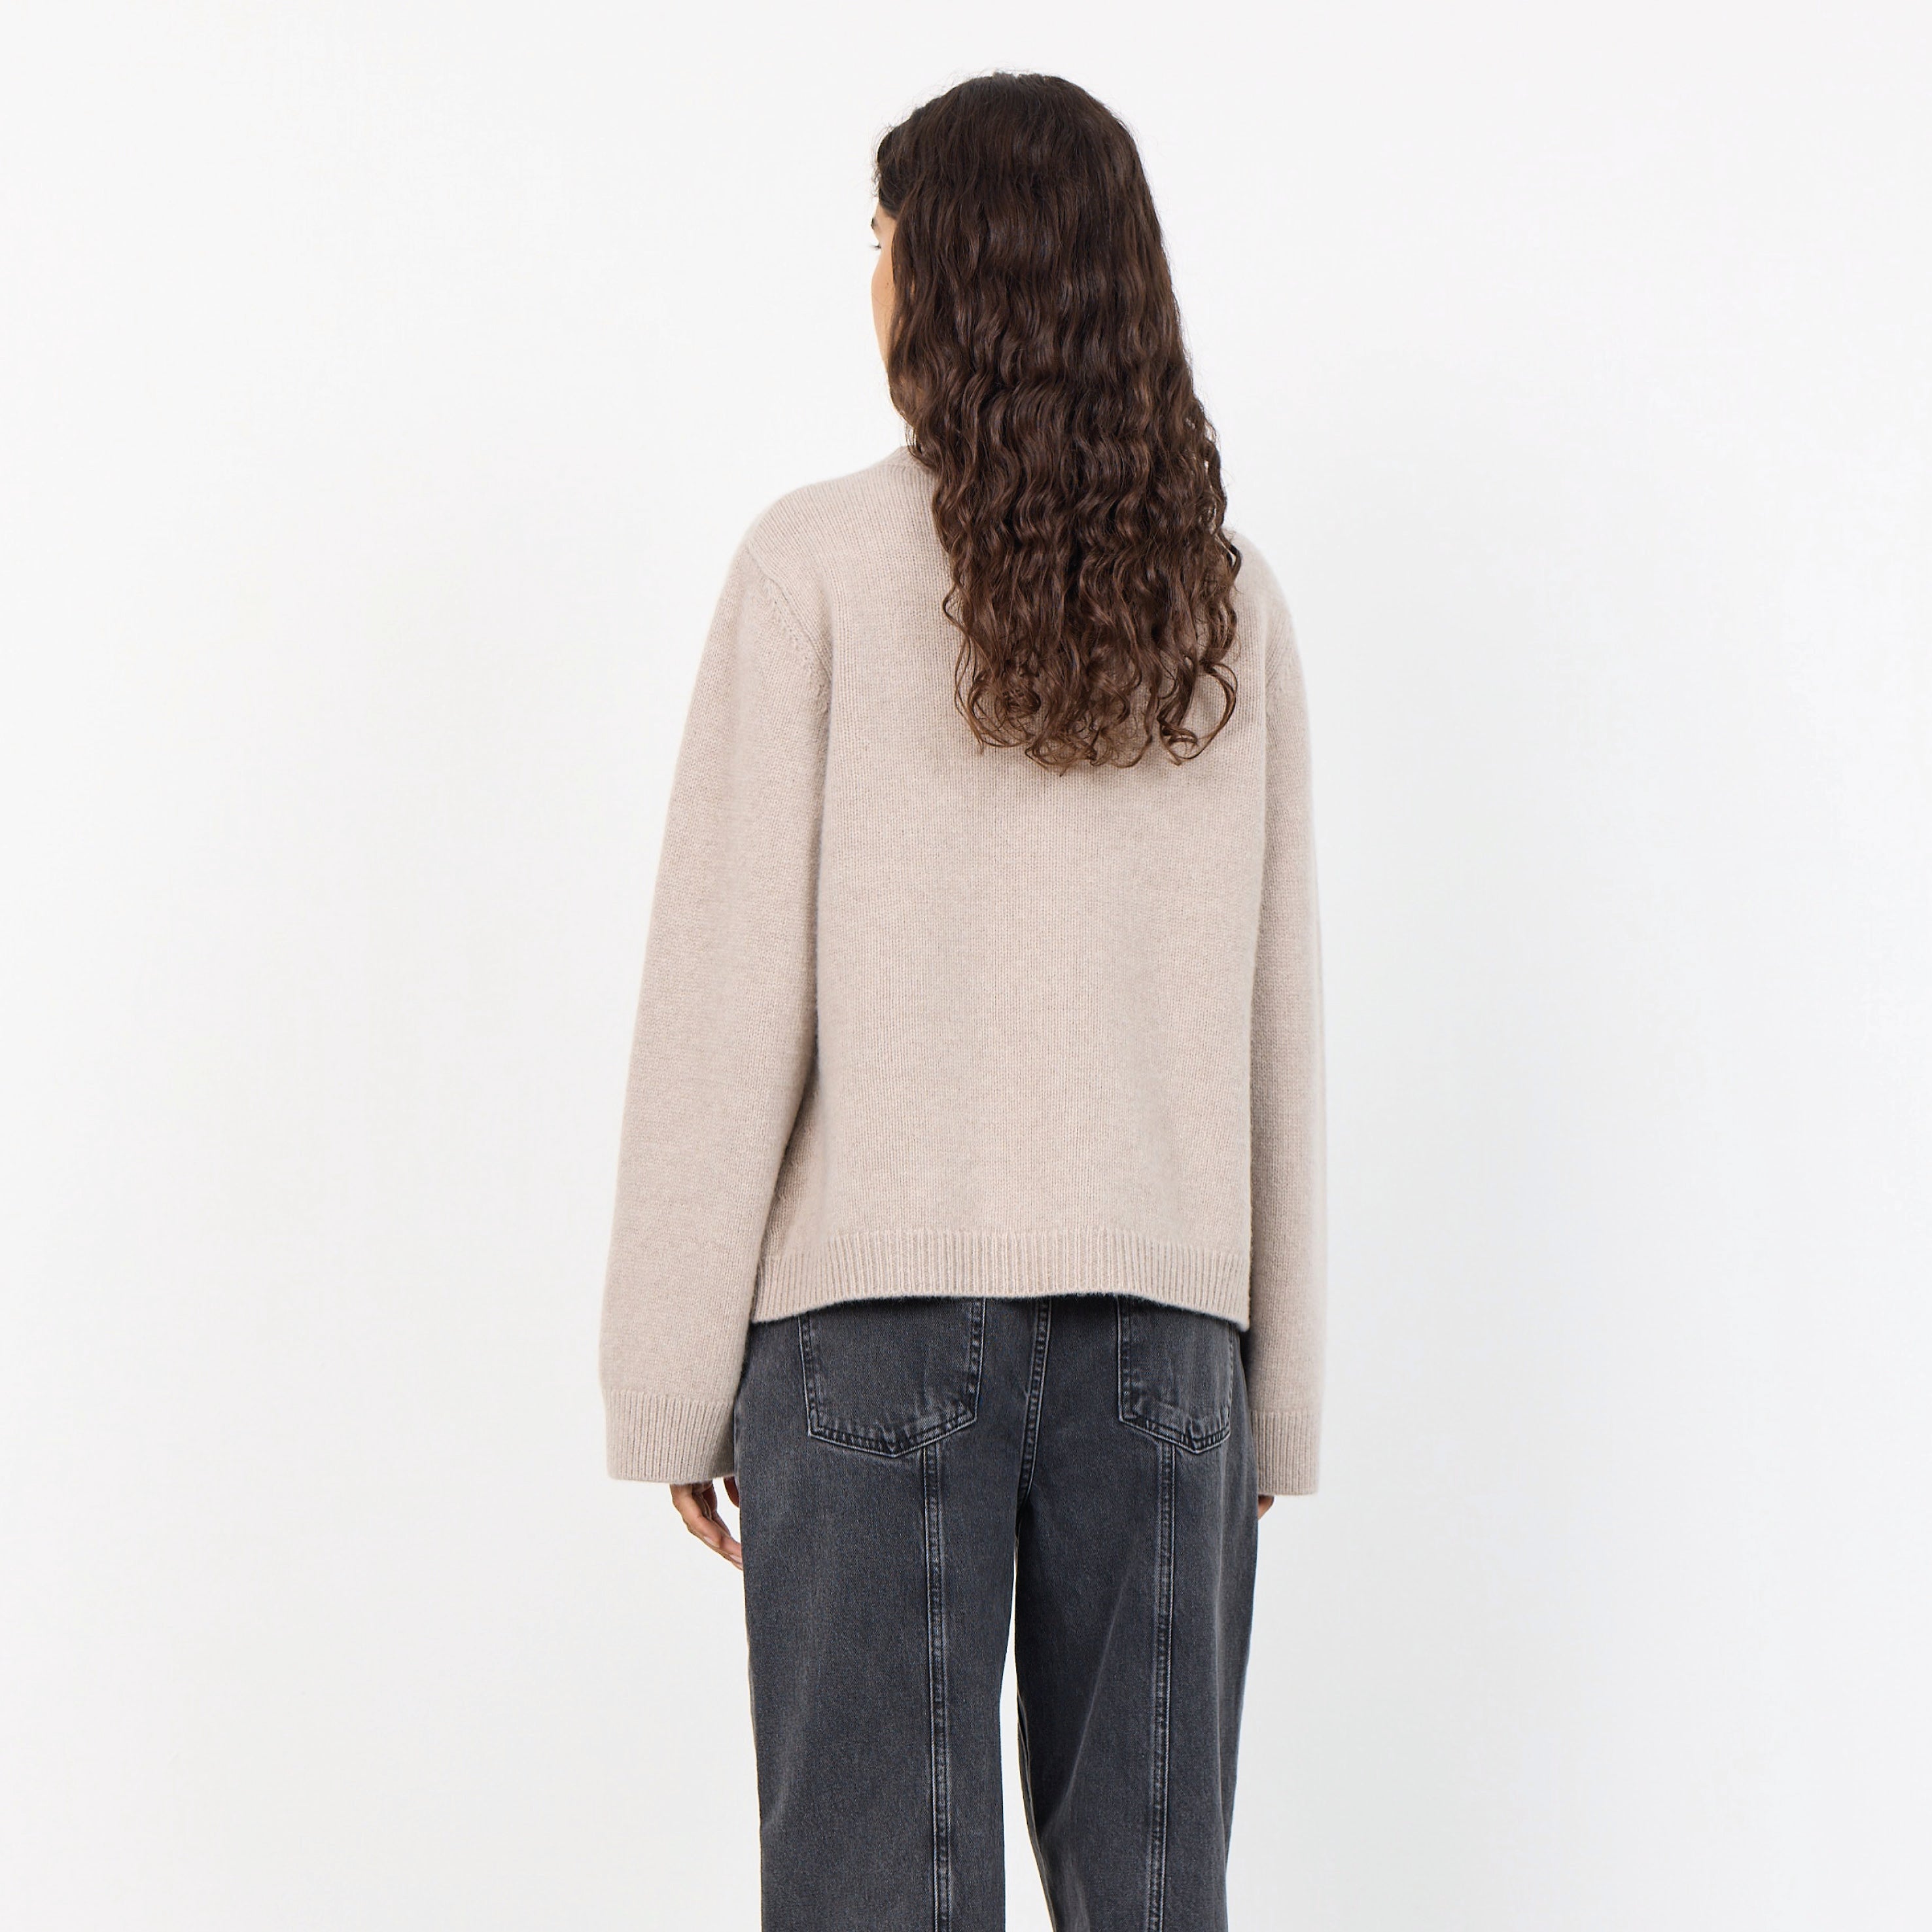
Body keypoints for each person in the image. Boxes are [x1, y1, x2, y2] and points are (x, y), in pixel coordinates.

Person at [598, 71, 1324, 1932]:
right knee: (1153, 1900)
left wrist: (669, 1376)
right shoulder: (1222, 599)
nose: (872, 279)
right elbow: (1279, 1025)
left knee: (870, 1902)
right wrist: (1277, 1394)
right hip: (1168, 1341)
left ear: (950, 277)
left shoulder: (813, 566)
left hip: (869, 1337)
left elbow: (724, 994)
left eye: (882, 240)